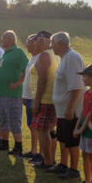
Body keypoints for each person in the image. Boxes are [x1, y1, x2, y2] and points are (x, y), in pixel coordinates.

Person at [49, 32, 85, 179]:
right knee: (62, 139)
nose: (51, 47)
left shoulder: (72, 58)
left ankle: (73, 169)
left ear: (61, 43)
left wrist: (70, 107)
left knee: (71, 141)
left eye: (53, 44)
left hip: (71, 110)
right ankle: (63, 165)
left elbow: (76, 86)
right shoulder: (64, 58)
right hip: (62, 110)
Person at [0, 30, 29, 155]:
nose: (2, 41)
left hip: (12, 94)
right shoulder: (5, 54)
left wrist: (18, 83)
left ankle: (18, 146)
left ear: (12, 40)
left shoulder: (18, 53)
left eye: (4, 38)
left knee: (13, 119)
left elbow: (26, 70)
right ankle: (4, 142)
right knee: (2, 119)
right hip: (1, 93)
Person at [29, 31, 59, 170]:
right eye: (35, 40)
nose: (36, 43)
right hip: (47, 98)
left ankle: (47, 161)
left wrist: (36, 100)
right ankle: (48, 159)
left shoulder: (45, 56)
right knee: (46, 130)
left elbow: (42, 80)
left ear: (47, 42)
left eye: (39, 40)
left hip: (45, 99)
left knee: (43, 131)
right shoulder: (50, 55)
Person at [21, 33, 41, 161]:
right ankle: (34, 150)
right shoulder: (31, 58)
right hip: (28, 97)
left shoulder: (40, 58)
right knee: (31, 125)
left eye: (28, 42)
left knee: (36, 126)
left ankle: (37, 152)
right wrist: (24, 96)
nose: (27, 44)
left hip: (34, 98)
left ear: (35, 43)